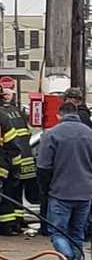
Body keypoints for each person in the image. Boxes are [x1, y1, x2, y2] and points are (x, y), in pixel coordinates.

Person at [37, 102, 92, 260]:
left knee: (57, 233)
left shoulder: (52, 135)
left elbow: (43, 168)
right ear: (76, 114)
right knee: (77, 233)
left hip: (60, 193)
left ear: (59, 115)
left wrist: (45, 190)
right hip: (85, 194)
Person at [0, 88, 36, 231]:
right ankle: (16, 223)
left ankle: (8, 226)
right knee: (13, 193)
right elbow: (17, 142)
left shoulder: (3, 116)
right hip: (16, 161)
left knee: (6, 196)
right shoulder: (14, 113)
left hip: (8, 163)